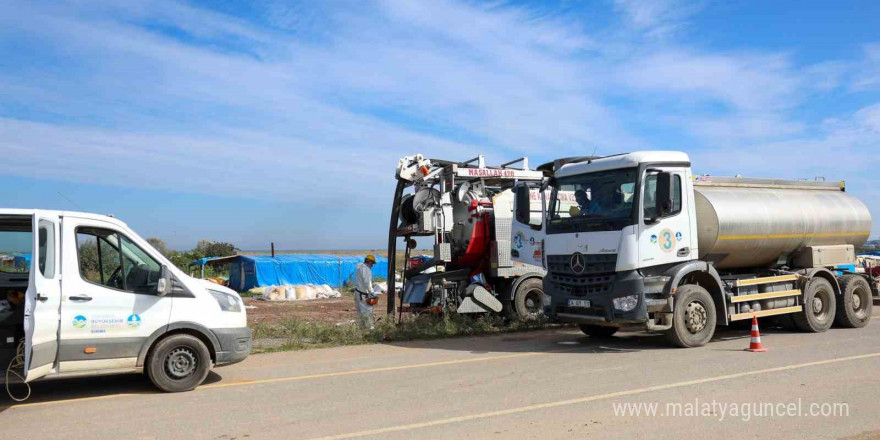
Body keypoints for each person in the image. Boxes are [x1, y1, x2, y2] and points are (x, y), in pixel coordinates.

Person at [354, 254, 378, 329]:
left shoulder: (360, 267)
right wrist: (372, 293)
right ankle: (369, 329)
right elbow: (367, 283)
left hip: (357, 293)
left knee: (360, 312)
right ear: (370, 262)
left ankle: (360, 328)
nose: (373, 265)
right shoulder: (367, 270)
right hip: (363, 295)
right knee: (368, 312)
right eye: (373, 263)